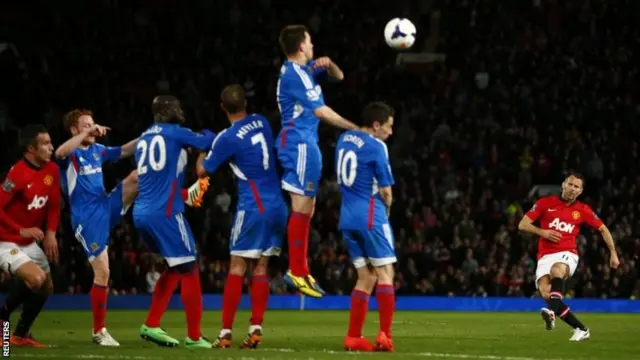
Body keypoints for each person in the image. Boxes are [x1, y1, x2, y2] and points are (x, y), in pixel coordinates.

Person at [196, 85, 288, 349]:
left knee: (237, 267)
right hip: (277, 206)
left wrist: (204, 147)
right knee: (261, 268)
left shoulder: (227, 137)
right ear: (245, 104)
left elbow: (203, 172)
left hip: (253, 207)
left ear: (222, 107)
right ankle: (255, 329)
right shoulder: (261, 121)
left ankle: (225, 332)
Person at [276, 24, 359, 298]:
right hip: (298, 144)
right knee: (301, 207)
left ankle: (300, 269)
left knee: (306, 208)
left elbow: (339, 76)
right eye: (310, 42)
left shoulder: (304, 71)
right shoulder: (295, 76)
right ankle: (295, 271)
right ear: (301, 46)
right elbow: (322, 112)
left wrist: (330, 63)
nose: (313, 46)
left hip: (305, 143)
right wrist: (356, 129)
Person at [134, 95, 214, 349]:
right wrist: (208, 133)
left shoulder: (144, 138)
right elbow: (207, 141)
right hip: (165, 215)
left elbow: (157, 183)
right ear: (166, 111)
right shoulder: (175, 132)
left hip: (142, 214)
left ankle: (152, 324)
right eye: (177, 107)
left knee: (175, 268)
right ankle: (193, 337)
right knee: (190, 268)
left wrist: (186, 195)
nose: (181, 110)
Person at [56, 109, 138, 346]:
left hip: (105, 206)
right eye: (86, 125)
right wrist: (87, 133)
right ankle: (98, 331)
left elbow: (124, 150)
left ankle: (180, 198)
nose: (93, 128)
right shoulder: (70, 156)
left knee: (136, 176)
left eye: (93, 124)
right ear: (73, 129)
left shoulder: (97, 151)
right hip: (86, 218)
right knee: (103, 272)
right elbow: (60, 151)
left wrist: (151, 136)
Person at [518, 173, 620, 341]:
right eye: (570, 184)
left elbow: (603, 229)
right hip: (544, 255)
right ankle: (581, 328)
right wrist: (542, 232)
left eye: (576, 187)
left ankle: (551, 311)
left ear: (580, 191)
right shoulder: (545, 203)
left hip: (567, 254)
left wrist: (613, 253)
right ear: (563, 184)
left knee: (556, 270)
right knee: (546, 293)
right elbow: (522, 224)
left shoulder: (582, 210)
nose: (572, 189)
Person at [335, 102, 396, 352]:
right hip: (371, 214)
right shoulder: (377, 146)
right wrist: (388, 211)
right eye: (389, 127)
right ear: (376, 125)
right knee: (385, 274)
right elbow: (385, 191)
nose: (390, 133)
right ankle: (384, 334)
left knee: (365, 276)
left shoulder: (344, 138)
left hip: (347, 217)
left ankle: (353, 336)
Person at [0, 125, 60, 347]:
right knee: (36, 279)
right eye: (45, 143)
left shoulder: (52, 170)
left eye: (50, 142)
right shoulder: (16, 173)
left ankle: (19, 335)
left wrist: (51, 232)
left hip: (28, 242)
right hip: (6, 240)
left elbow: (54, 205)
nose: (51, 147)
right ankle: (2, 319)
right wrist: (20, 229)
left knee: (47, 287)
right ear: (30, 149)